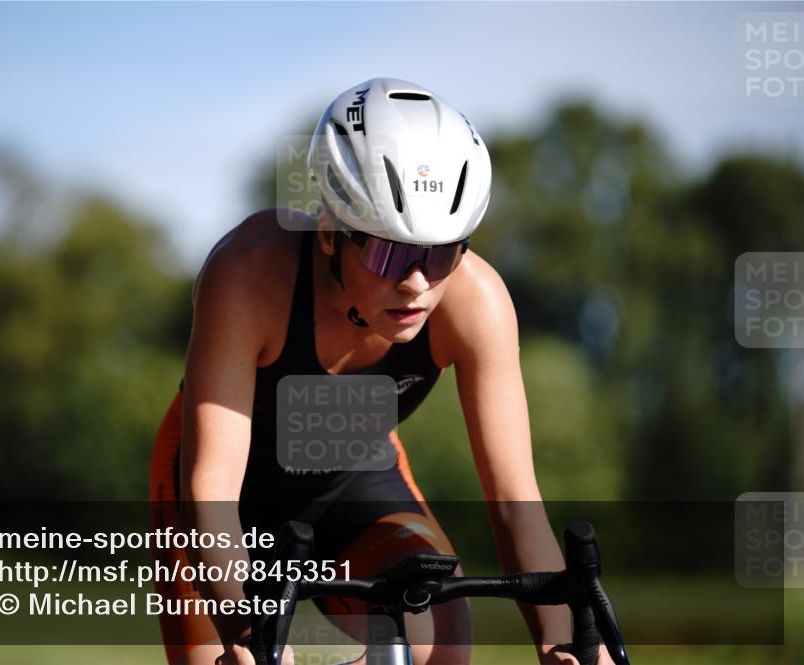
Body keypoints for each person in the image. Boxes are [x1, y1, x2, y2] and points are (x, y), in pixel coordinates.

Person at [149, 77, 613, 665]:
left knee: (441, 633)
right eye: (389, 252)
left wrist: (561, 640)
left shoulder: (478, 303)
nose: (417, 283)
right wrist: (246, 633)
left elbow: (514, 498)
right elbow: (209, 488)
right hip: (224, 491)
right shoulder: (248, 273)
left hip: (354, 473)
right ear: (328, 232)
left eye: (442, 252)